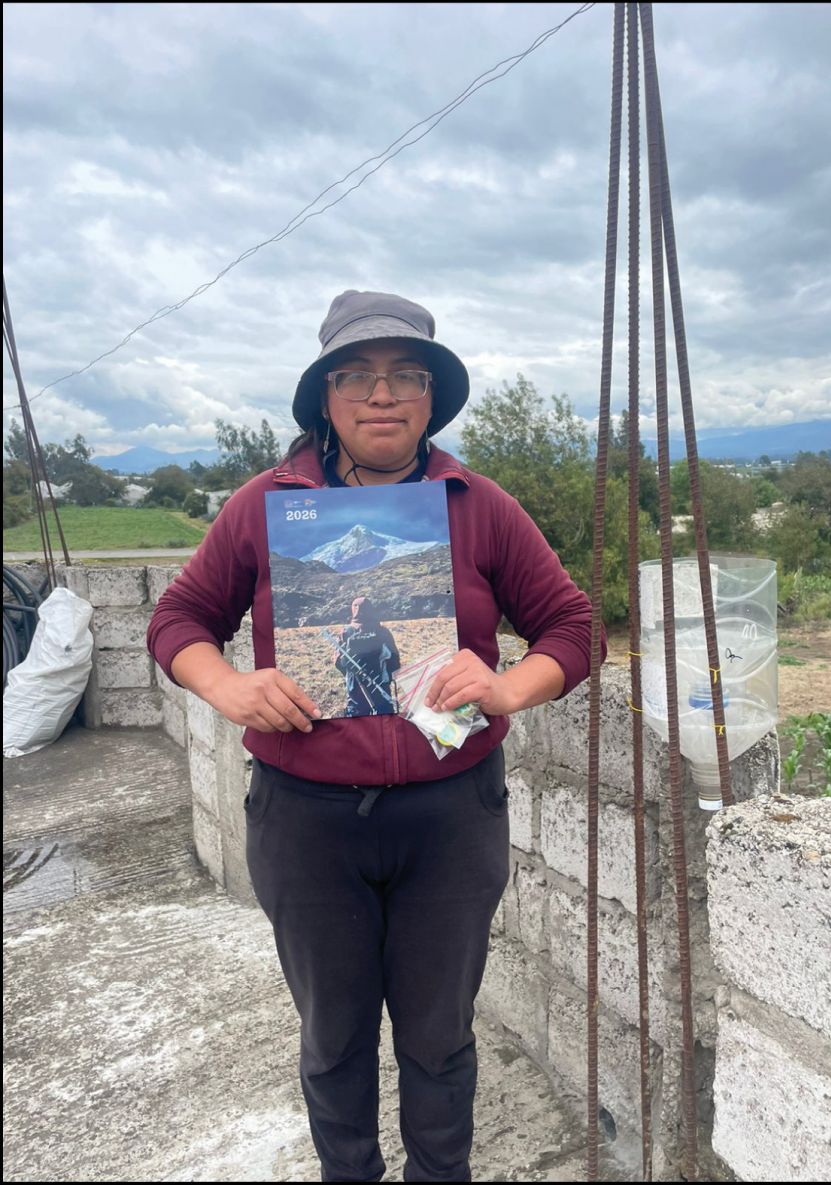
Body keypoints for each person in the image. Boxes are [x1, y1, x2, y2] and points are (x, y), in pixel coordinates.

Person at [147, 289, 597, 1182]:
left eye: (406, 376)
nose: (381, 394)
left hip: (451, 818)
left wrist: (505, 685)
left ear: (432, 398)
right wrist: (231, 686)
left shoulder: (477, 504)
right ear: (326, 397)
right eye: (357, 374)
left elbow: (574, 628)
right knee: (335, 1037)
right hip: (306, 822)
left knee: (438, 1040)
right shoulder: (265, 506)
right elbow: (178, 620)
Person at [335, 595, 401, 718]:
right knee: (385, 726)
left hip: (355, 690)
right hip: (382, 689)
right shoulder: (383, 632)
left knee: (358, 729)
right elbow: (395, 661)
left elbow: (339, 663)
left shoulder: (345, 633)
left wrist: (350, 673)